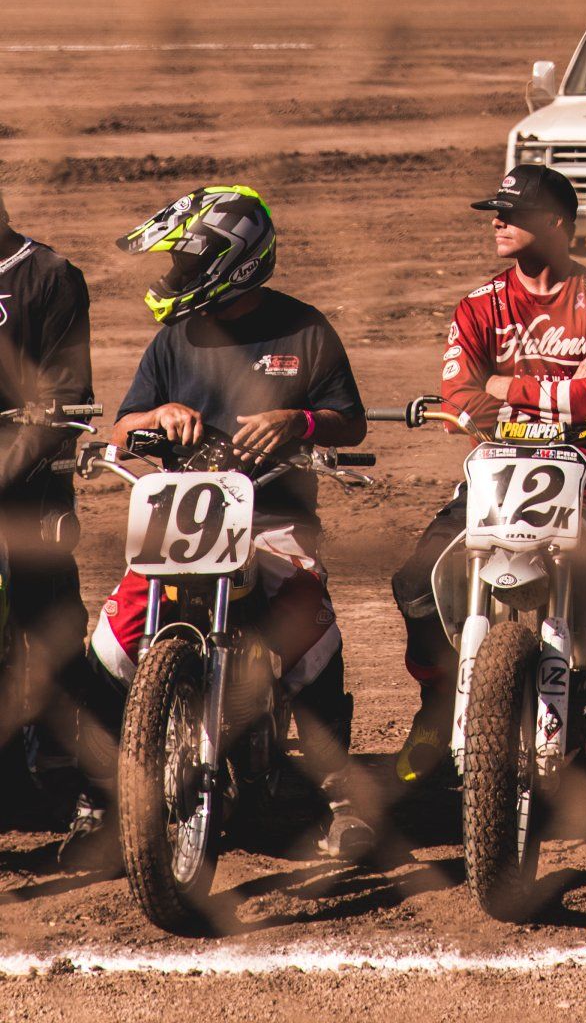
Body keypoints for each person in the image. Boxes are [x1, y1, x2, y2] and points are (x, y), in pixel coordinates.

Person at [389, 164, 586, 870]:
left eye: (513, 212)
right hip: (496, 478)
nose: (498, 222)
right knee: (415, 582)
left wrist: (505, 386)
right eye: (496, 211)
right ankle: (438, 706)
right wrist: (542, 394)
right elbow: (457, 396)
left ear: (557, 224)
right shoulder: (478, 305)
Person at [82, 185, 371, 863]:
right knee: (110, 644)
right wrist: (156, 417)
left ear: (232, 263)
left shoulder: (306, 329)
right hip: (181, 512)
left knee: (311, 632)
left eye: (186, 263)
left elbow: (350, 421)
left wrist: (300, 421)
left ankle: (342, 800)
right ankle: (97, 800)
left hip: (273, 513)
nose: (174, 275)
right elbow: (122, 430)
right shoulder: (174, 338)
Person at [0, 188, 112, 823]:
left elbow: (66, 399)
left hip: (31, 488)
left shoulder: (49, 276)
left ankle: (92, 782)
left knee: (50, 632)